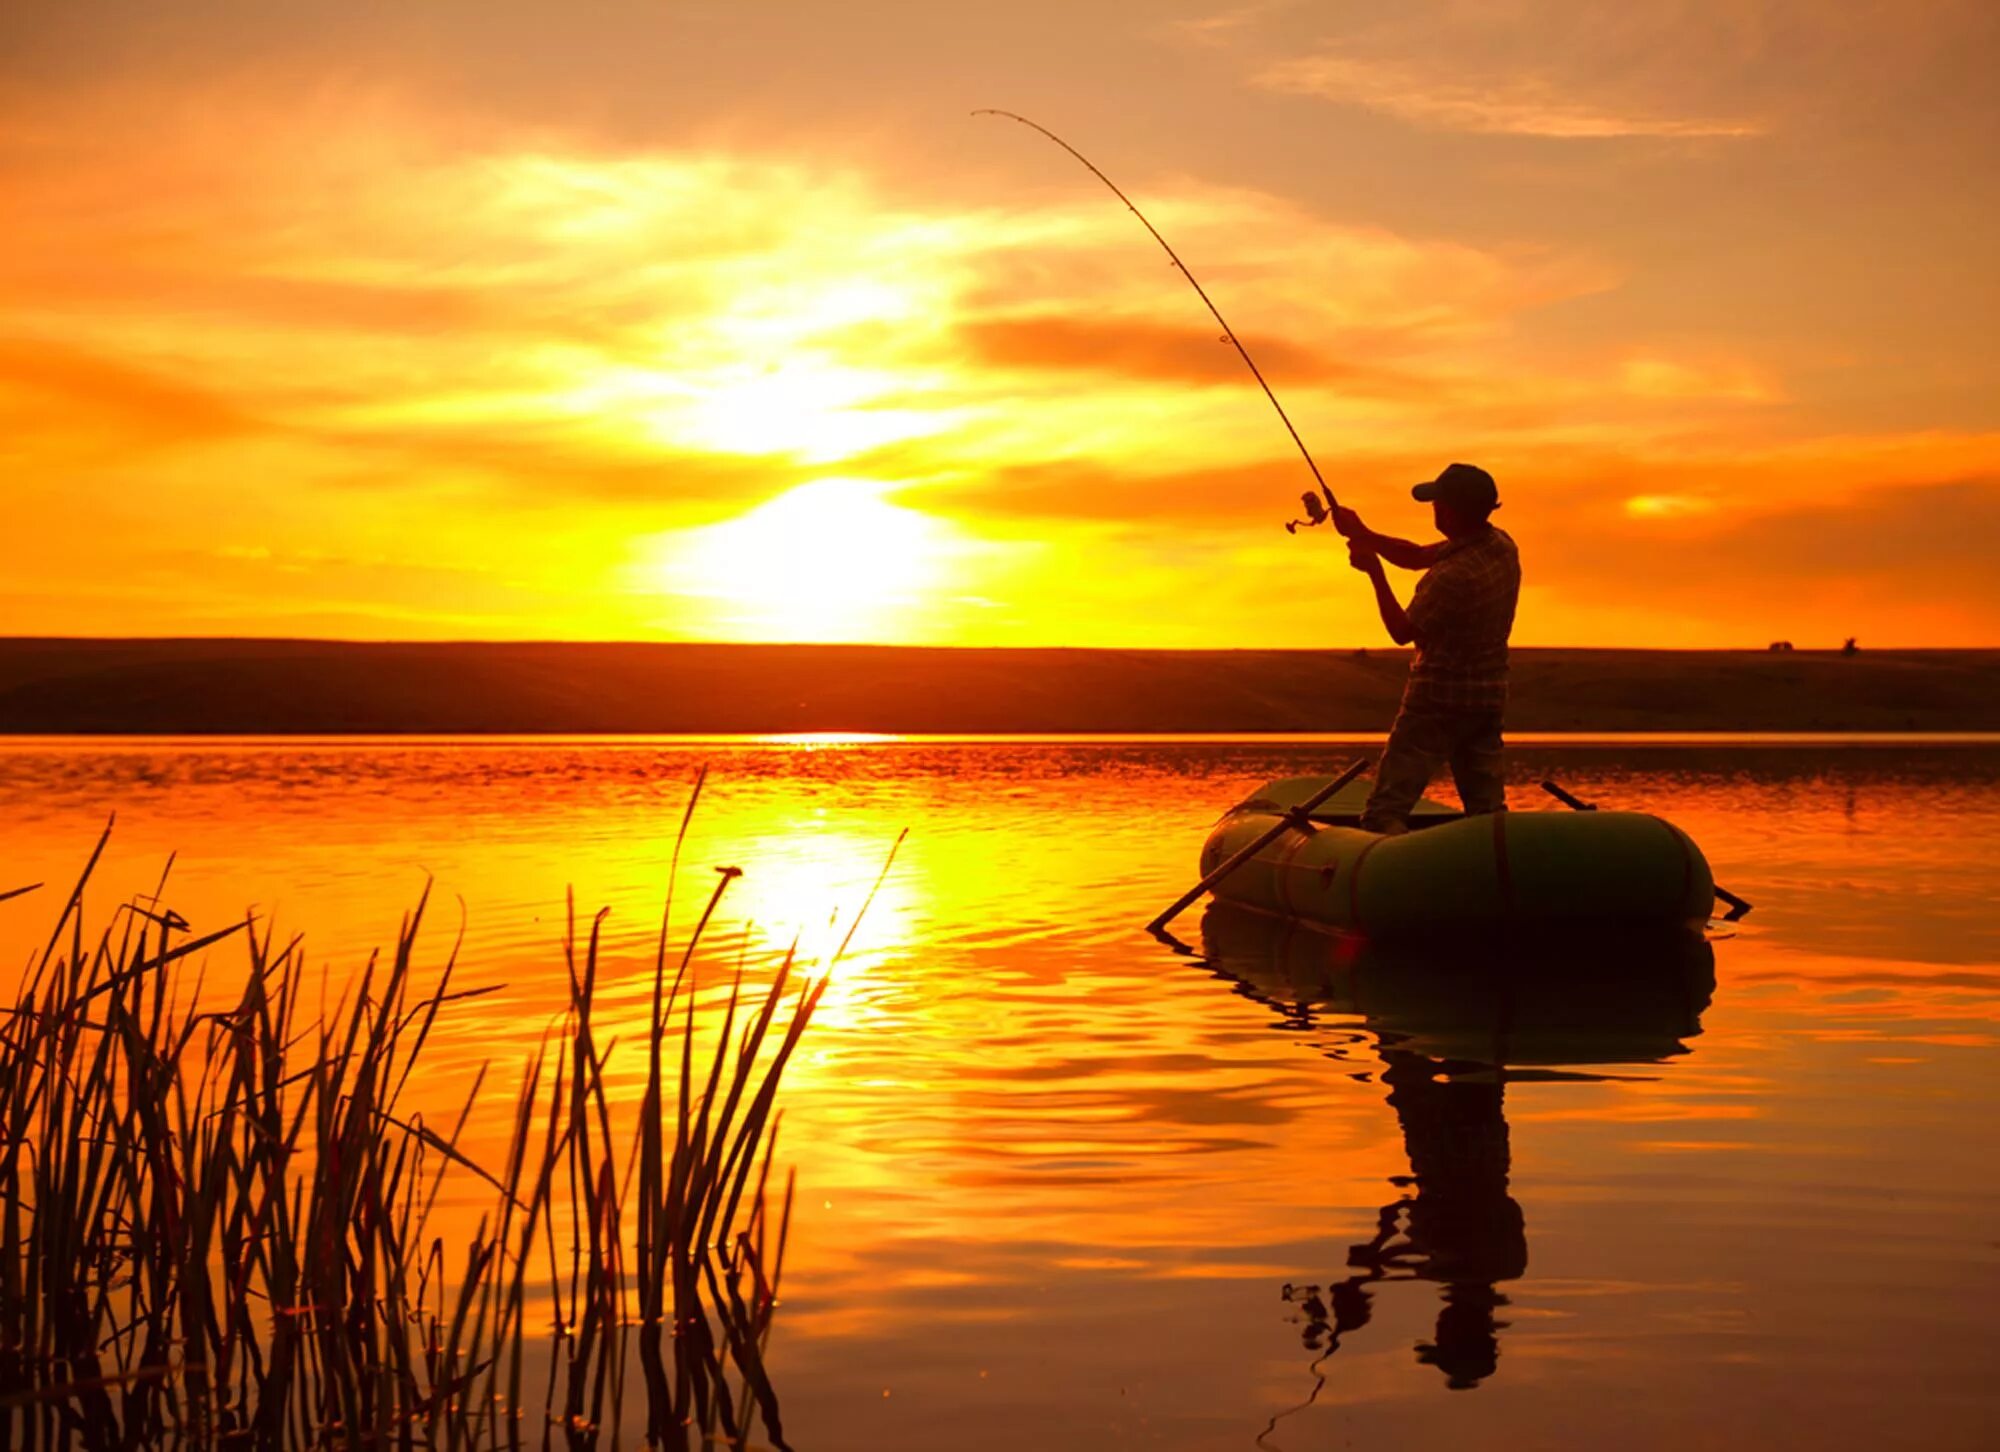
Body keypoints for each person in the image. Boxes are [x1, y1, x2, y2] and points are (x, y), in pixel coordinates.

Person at [1334, 462, 1520, 834]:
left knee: (1384, 812)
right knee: (1487, 812)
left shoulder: (1452, 578)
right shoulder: (1500, 545)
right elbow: (1416, 555)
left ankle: (1386, 874)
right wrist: (1364, 533)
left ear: (1448, 512)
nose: (1433, 509)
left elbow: (1402, 631)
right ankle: (1498, 867)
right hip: (1486, 700)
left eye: (1436, 503)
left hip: (1435, 701)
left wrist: (1375, 572)